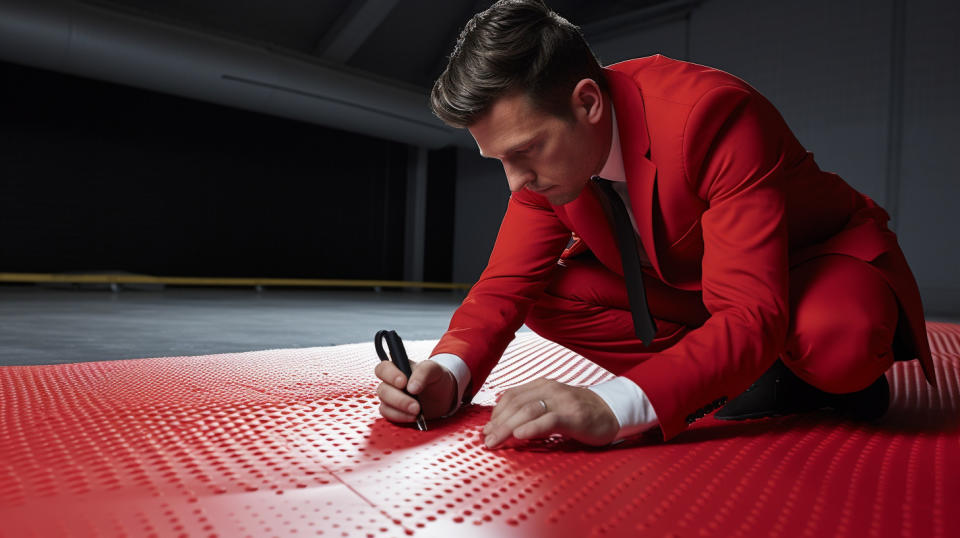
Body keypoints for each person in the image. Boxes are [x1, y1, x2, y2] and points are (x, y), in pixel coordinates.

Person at [373, 0, 935, 448]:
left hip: (812, 265)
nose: (515, 183)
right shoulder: (550, 168)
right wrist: (447, 374)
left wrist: (613, 406)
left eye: (526, 152)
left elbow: (749, 310)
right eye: (500, 161)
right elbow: (503, 287)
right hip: (700, 283)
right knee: (547, 295)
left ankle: (766, 371)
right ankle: (737, 374)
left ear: (587, 102)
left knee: (842, 341)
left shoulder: (713, 117)